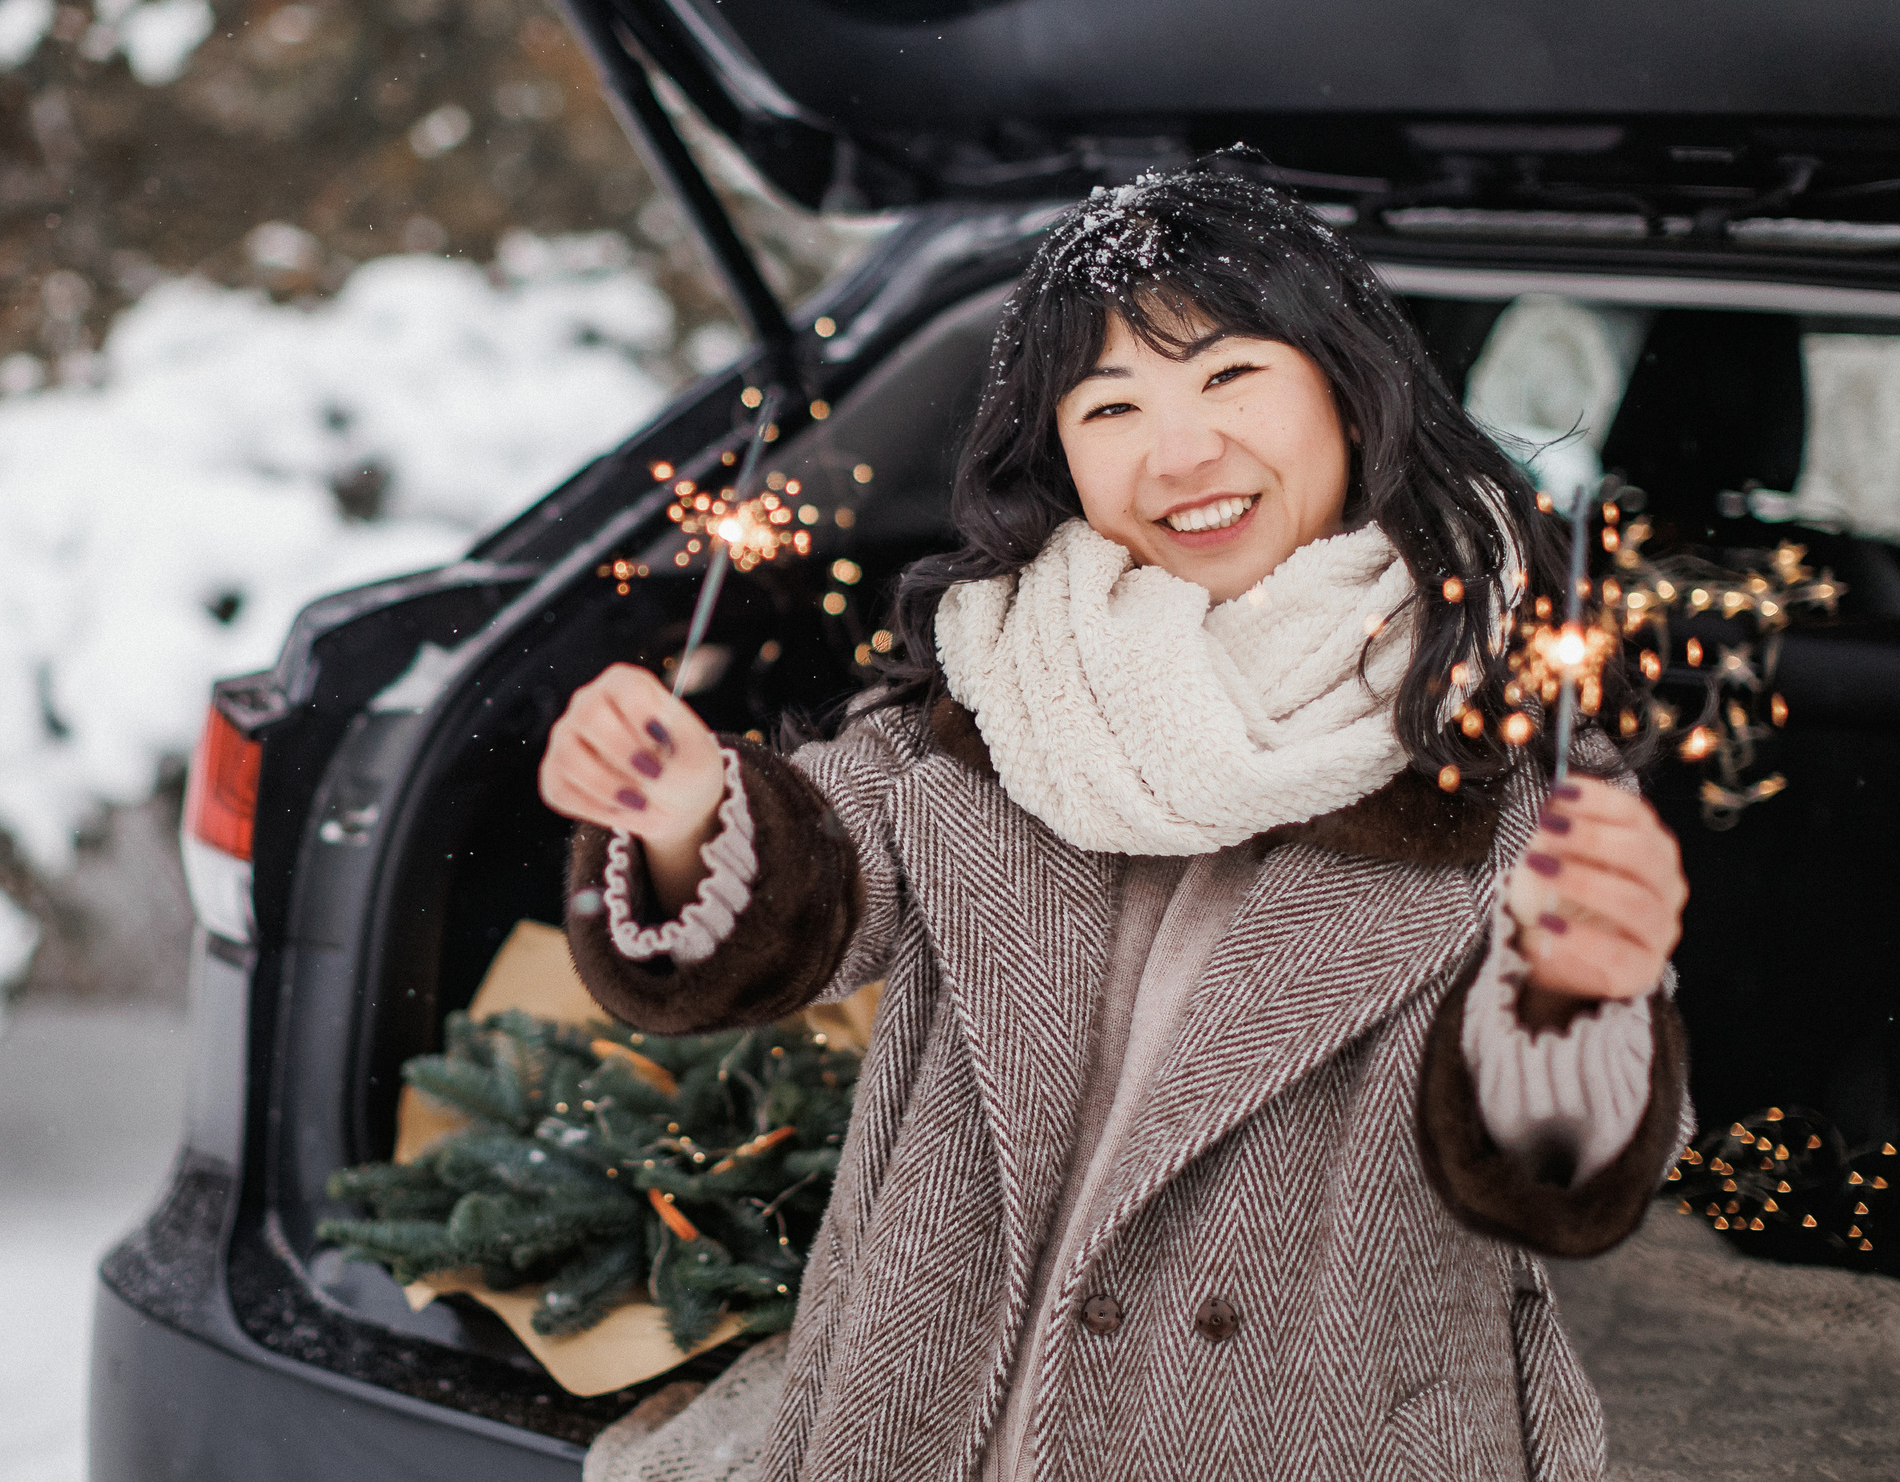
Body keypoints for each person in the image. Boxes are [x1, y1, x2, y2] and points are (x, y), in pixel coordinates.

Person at [537, 169, 1689, 1482]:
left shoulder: (1505, 755)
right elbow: (808, 904)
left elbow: (1546, 1175)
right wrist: (690, 814)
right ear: (1060, 450)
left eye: (1229, 378)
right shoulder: (995, 691)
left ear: (1348, 392)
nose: (1179, 450)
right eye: (1113, 405)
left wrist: (1578, 1001)